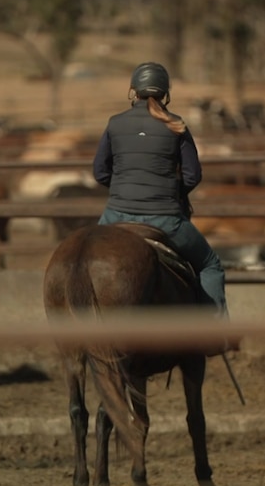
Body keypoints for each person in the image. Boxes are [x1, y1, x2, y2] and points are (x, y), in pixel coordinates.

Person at [92, 61, 228, 314]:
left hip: (115, 215)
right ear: (166, 93)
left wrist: (124, 188)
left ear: (133, 90)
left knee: (88, 257)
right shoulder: (176, 124)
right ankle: (215, 334)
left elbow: (100, 171)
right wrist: (169, 192)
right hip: (166, 219)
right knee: (210, 265)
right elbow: (193, 175)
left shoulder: (115, 123)